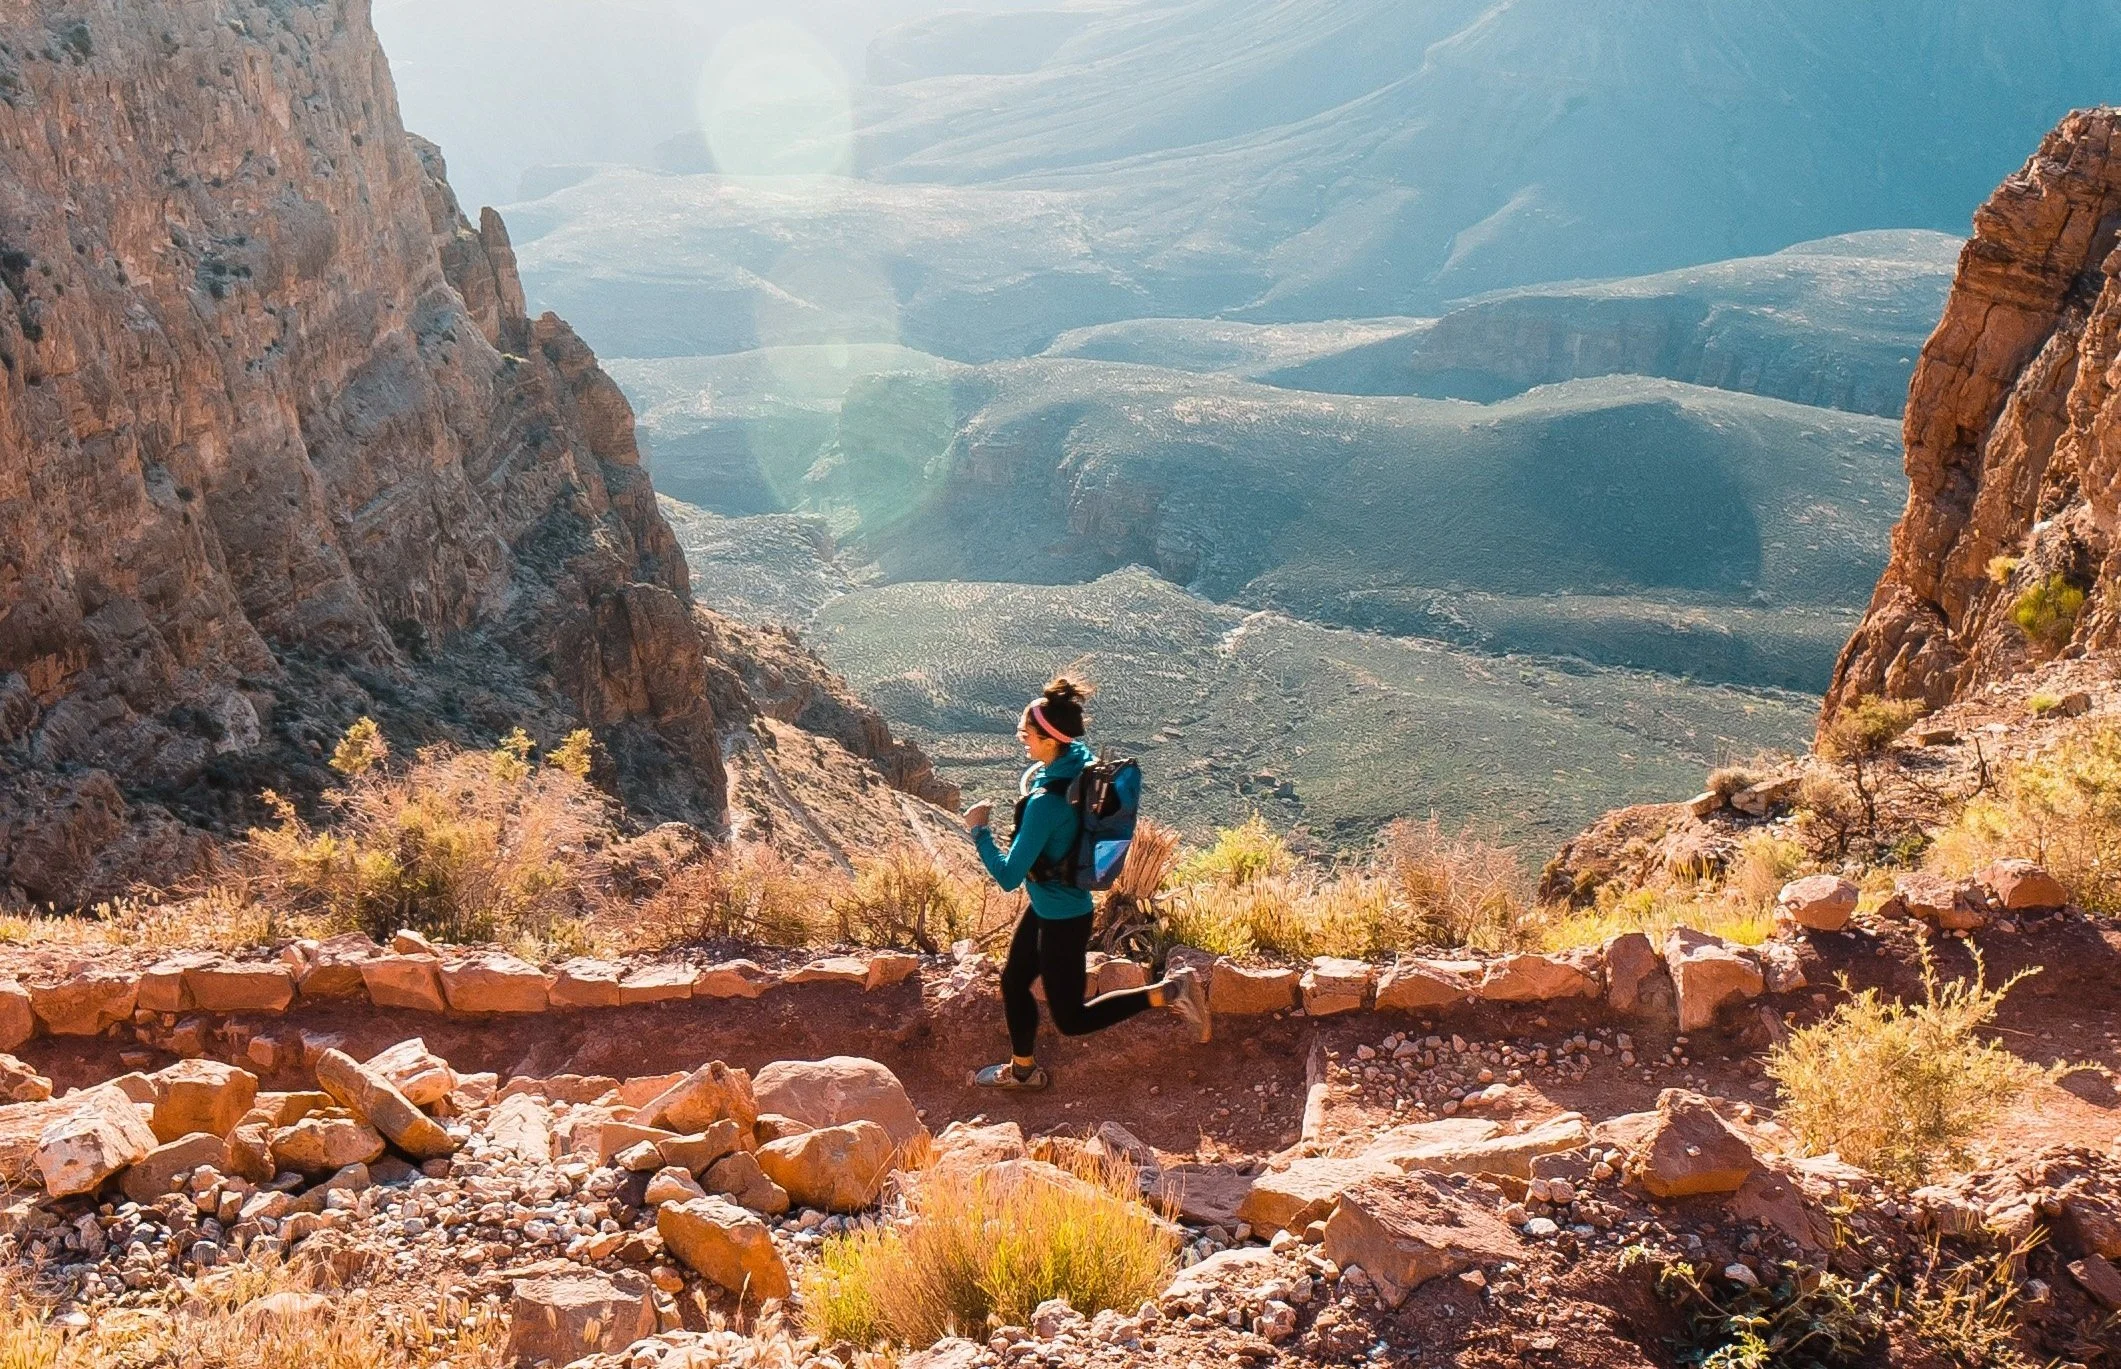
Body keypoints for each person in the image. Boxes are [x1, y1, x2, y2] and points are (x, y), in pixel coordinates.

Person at [962, 677, 1209, 1091]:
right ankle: (1022, 1071)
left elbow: (1007, 877)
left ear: (1050, 739)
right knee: (1013, 980)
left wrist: (980, 831)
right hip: (1049, 906)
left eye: (1026, 734)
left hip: (1062, 918)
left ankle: (1169, 991)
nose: (1022, 741)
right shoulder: (1081, 764)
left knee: (1073, 1019)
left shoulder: (1045, 804)